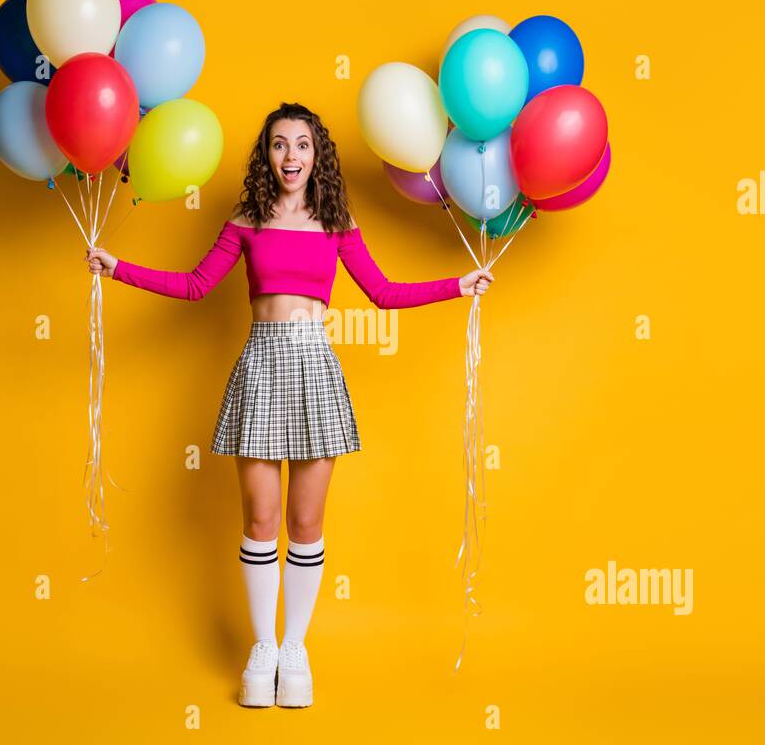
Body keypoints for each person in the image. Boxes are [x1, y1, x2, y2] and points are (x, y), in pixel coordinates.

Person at [86, 102, 493, 708]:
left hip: (315, 370)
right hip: (259, 367)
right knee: (259, 521)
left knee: (305, 524)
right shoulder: (246, 220)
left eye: (302, 145)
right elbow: (196, 285)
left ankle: (295, 649)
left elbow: (382, 293)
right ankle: (262, 650)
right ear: (267, 155)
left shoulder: (337, 223)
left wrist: (455, 285)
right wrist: (118, 268)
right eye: (280, 145)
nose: (291, 156)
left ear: (317, 154)